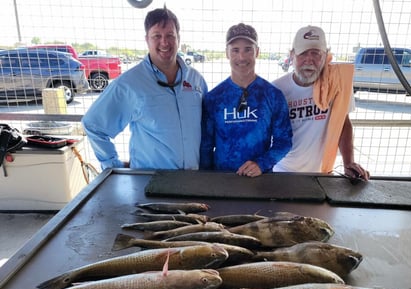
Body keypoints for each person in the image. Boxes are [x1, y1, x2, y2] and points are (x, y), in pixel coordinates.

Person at [81, 6, 208, 170]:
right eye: (157, 36)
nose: (164, 42)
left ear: (178, 38)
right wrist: (113, 166)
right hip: (150, 185)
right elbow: (93, 125)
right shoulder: (129, 84)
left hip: (192, 183)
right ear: (147, 39)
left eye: (170, 35)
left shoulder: (196, 80)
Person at [272, 25, 370, 181]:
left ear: (326, 56)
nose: (309, 60)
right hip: (281, 172)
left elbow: (343, 123)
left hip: (322, 174)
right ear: (292, 55)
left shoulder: (337, 84)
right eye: (303, 53)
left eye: (316, 54)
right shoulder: (277, 89)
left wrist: (349, 162)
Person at [200, 23, 292, 177]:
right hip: (223, 179)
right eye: (235, 50)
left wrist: (261, 164)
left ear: (257, 52)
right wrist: (206, 180)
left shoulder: (273, 95)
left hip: (260, 180)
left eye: (248, 49)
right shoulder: (214, 98)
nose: (241, 57)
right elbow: (205, 146)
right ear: (227, 54)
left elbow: (284, 141)